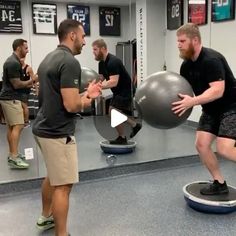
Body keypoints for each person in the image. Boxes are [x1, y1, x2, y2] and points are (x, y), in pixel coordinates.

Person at [32, 19, 101, 236]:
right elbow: (71, 105)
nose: (83, 41)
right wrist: (88, 101)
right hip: (57, 132)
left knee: (53, 176)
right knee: (63, 185)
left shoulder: (49, 58)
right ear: (72, 36)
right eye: (82, 36)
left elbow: (58, 97)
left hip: (42, 127)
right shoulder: (70, 62)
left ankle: (45, 217)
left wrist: (86, 93)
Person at [172, 23, 236, 195]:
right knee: (201, 145)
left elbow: (218, 90)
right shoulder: (186, 66)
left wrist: (192, 102)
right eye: (177, 41)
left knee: (224, 148)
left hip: (231, 107)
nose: (178, 44)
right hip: (210, 110)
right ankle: (219, 183)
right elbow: (185, 92)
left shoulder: (211, 60)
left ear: (195, 40)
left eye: (182, 41)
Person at [92, 39, 142, 145]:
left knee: (112, 112)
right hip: (118, 91)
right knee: (113, 113)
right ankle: (128, 131)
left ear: (103, 49)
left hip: (126, 90)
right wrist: (93, 85)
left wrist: (98, 88)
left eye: (95, 49)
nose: (93, 52)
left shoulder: (113, 62)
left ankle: (127, 132)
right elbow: (101, 78)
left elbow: (113, 82)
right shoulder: (102, 63)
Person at [0, 39, 34, 169]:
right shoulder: (13, 63)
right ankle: (14, 157)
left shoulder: (12, 61)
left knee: (11, 127)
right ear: (19, 48)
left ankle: (12, 154)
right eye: (25, 48)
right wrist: (31, 81)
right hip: (11, 98)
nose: (27, 50)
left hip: (8, 98)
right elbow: (17, 84)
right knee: (19, 125)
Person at [19, 57, 37, 127]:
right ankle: (23, 120)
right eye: (20, 58)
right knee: (21, 106)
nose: (21, 59)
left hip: (25, 89)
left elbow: (34, 79)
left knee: (24, 105)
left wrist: (36, 90)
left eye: (22, 58)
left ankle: (26, 122)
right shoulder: (17, 67)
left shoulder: (28, 68)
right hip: (18, 89)